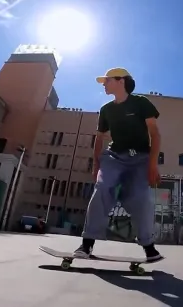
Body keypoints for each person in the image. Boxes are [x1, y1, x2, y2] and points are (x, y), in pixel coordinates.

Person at [72, 67, 163, 261]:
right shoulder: (106, 109)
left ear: (121, 81)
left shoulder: (141, 103)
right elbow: (99, 140)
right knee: (102, 188)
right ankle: (87, 243)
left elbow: (155, 134)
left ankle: (148, 246)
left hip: (140, 159)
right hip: (114, 157)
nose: (104, 85)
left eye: (107, 81)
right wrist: (96, 167)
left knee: (140, 197)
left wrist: (152, 165)